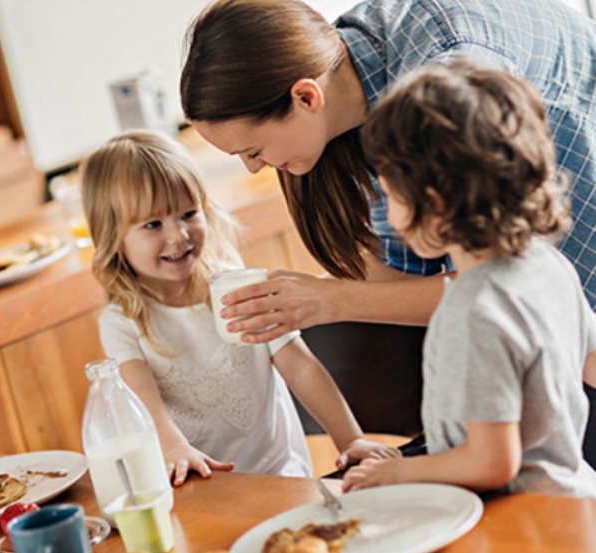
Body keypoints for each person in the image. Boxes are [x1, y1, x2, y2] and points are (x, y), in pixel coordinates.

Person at [180, 0, 596, 344]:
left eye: (253, 150)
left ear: (306, 97)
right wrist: (290, 298)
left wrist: (332, 300)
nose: (253, 167)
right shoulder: (353, 82)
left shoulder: (442, 94)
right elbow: (406, 269)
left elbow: (496, 282)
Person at [81, 129, 399, 485]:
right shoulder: (122, 320)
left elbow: (300, 367)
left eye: (188, 213)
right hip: (199, 484)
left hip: (282, 476)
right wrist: (174, 448)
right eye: (153, 224)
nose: (178, 236)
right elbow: (142, 395)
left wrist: (350, 439)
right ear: (113, 238)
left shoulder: (238, 287)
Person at [339, 60, 596, 497]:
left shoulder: (474, 311)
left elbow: (492, 462)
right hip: (574, 498)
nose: (390, 215)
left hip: (521, 524)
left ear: (434, 204)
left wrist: (395, 475)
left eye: (390, 194)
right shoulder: (547, 263)